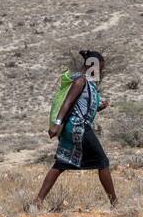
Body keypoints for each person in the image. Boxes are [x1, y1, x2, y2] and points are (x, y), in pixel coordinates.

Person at [32, 50, 117, 208]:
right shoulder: (80, 82)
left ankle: (37, 202)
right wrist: (57, 123)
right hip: (79, 127)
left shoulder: (90, 85)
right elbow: (67, 103)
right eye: (99, 68)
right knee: (102, 162)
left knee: (61, 163)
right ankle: (115, 203)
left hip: (77, 127)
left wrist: (100, 107)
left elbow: (85, 107)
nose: (101, 72)